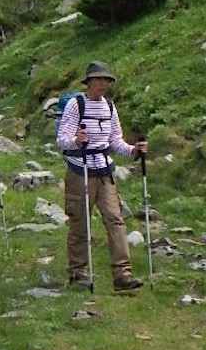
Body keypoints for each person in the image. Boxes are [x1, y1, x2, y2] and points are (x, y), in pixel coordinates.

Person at [56, 61, 147, 291]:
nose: (103, 84)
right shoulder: (76, 105)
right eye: (99, 80)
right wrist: (76, 141)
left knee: (115, 219)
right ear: (89, 82)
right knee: (79, 221)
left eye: (106, 80)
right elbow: (62, 140)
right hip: (80, 169)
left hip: (104, 169)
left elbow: (115, 140)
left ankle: (122, 275)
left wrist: (133, 151)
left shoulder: (109, 106)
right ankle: (78, 274)